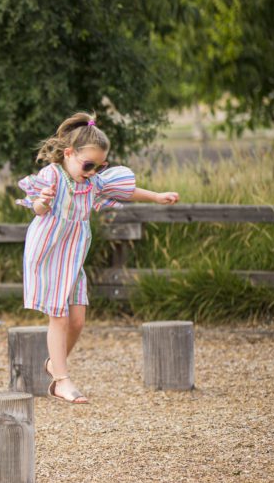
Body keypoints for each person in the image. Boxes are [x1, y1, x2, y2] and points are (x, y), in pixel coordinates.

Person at [16, 112, 179, 404]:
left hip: (73, 256)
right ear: (68, 154)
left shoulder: (92, 182)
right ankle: (61, 381)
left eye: (99, 166)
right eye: (88, 165)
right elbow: (38, 209)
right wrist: (43, 201)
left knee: (78, 319)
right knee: (60, 317)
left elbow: (127, 191)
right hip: (49, 252)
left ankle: (55, 363)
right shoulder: (53, 175)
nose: (92, 171)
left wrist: (157, 196)